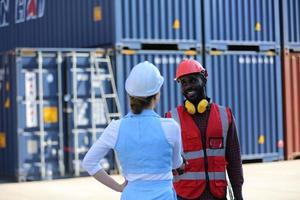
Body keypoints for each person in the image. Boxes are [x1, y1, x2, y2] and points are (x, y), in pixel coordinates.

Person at [82, 61, 183, 200]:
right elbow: (176, 163)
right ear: (157, 95)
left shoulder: (116, 128)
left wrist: (118, 187)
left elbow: (89, 162)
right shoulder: (171, 127)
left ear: (130, 95)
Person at [166, 59, 244, 200]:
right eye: (183, 83)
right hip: (184, 196)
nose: (188, 86)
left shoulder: (225, 116)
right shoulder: (171, 119)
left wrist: (238, 195)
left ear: (204, 80)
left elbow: (234, 159)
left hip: (217, 195)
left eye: (193, 80)